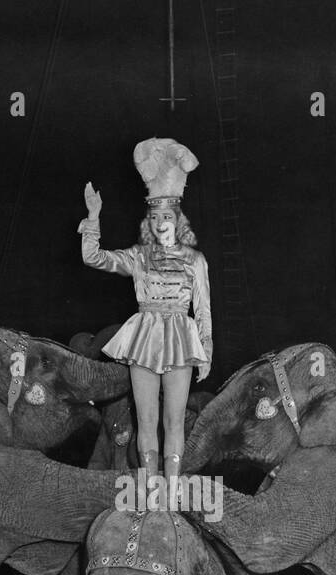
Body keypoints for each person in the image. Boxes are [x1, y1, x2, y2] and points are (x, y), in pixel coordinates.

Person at [79, 137, 212, 485]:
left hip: (182, 339)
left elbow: (204, 309)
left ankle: (172, 492)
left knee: (174, 419)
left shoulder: (195, 260)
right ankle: (152, 489)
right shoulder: (138, 257)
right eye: (154, 216)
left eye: (166, 215)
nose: (159, 221)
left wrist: (206, 350)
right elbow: (95, 258)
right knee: (146, 419)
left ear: (178, 219)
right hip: (144, 337)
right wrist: (94, 219)